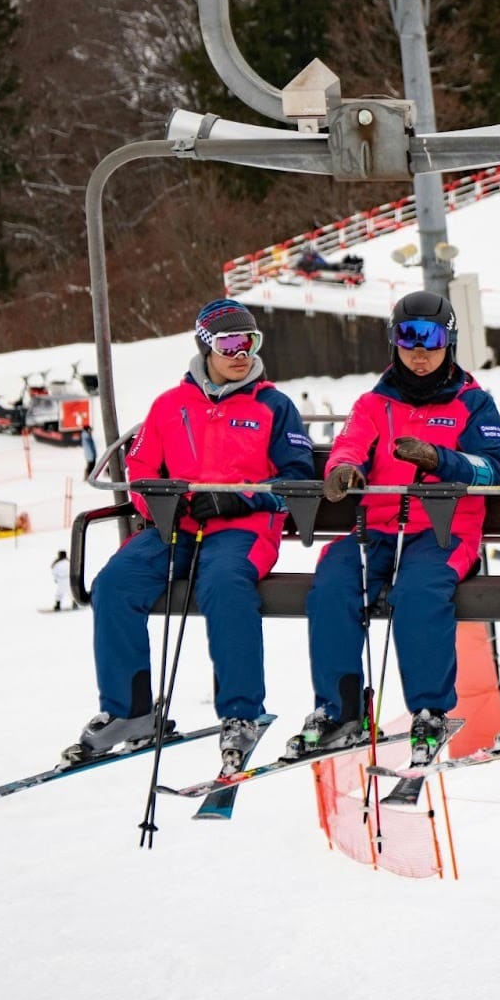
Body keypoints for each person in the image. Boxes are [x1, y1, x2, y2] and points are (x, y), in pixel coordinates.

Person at [69, 299, 314, 773]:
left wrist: (239, 499)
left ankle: (241, 712)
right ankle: (130, 710)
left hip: (244, 529)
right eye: (229, 343)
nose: (241, 353)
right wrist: (162, 502)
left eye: (250, 342)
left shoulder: (273, 406)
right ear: (205, 346)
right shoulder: (170, 406)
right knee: (115, 584)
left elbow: (297, 480)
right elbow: (140, 470)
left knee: (223, 585)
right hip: (173, 529)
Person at [295, 291, 500, 766]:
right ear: (393, 341)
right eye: (407, 337)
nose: (419, 350)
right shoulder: (375, 404)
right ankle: (342, 710)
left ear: (448, 342)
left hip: (443, 532)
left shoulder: (473, 404)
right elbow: (348, 445)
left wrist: (440, 460)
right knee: (331, 582)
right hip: (377, 531)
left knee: (418, 593)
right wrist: (343, 471)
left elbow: (494, 470)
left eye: (430, 338)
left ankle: (430, 708)